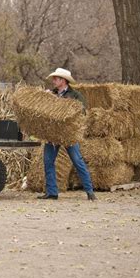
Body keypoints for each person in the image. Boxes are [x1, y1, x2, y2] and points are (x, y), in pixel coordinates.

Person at [37, 68, 97, 201]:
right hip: (52, 134)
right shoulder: (50, 93)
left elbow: (82, 111)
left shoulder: (75, 95)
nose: (53, 81)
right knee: (48, 162)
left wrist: (62, 104)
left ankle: (89, 191)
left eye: (56, 79)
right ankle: (52, 192)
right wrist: (43, 97)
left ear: (63, 81)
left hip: (68, 134)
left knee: (77, 161)